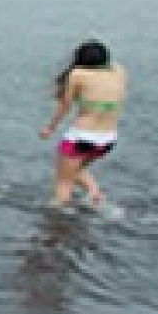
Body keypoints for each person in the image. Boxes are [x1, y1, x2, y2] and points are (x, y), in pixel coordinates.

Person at [40, 38, 128, 209]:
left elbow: (65, 106)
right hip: (108, 140)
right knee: (75, 169)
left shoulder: (78, 75)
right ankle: (94, 192)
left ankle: (57, 217)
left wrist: (50, 128)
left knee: (64, 182)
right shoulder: (120, 72)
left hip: (81, 138)